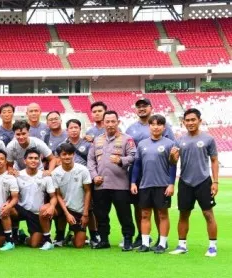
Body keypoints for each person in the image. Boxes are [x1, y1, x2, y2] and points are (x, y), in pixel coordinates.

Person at [125, 98, 175, 248]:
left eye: (145, 106)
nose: (141, 108)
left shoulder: (167, 134)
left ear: (151, 108)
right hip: (141, 178)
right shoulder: (131, 129)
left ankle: (162, 240)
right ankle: (143, 238)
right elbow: (136, 160)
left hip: (161, 178)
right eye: (138, 106)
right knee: (140, 209)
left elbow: (172, 159)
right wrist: (133, 181)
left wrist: (171, 183)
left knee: (161, 212)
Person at [169, 108, 219, 257]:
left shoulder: (208, 139)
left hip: (203, 181)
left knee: (208, 214)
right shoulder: (179, 140)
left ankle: (212, 246)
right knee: (183, 215)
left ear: (199, 121)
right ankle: (182, 245)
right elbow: (173, 162)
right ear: (183, 122)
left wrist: (215, 182)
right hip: (185, 182)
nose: (190, 123)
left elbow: (214, 160)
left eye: (193, 120)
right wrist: (172, 157)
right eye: (187, 120)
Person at [87, 111, 136, 250]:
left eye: (112, 121)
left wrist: (121, 160)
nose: (110, 125)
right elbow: (91, 160)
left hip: (120, 185)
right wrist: (94, 176)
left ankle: (127, 239)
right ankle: (103, 240)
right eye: (107, 122)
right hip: (100, 185)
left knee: (124, 214)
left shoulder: (127, 139)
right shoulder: (97, 140)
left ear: (118, 122)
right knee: (101, 214)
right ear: (103, 123)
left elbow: (133, 156)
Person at [52, 143, 92, 249]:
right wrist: (67, 213)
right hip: (64, 207)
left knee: (79, 245)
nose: (67, 157)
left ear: (73, 155)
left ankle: (71, 236)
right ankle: (59, 236)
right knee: (48, 211)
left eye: (70, 154)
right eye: (64, 154)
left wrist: (85, 214)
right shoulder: (55, 173)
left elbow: (88, 191)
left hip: (79, 209)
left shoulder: (83, 170)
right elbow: (58, 195)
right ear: (59, 156)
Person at [16, 149, 56, 250]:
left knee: (35, 243)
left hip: (36, 214)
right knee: (9, 209)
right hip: (21, 210)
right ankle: (11, 233)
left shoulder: (45, 176)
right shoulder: (17, 176)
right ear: (25, 161)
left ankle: (23, 238)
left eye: (36, 158)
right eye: (30, 158)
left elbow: (53, 197)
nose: (33, 160)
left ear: (39, 161)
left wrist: (51, 206)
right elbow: (12, 196)